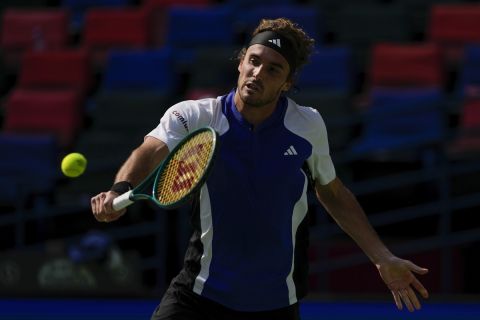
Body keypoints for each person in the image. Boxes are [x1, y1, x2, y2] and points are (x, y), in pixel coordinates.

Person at [91, 18, 429, 320]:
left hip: (275, 303)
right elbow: (150, 149)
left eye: (273, 69)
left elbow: (332, 191)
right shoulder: (196, 116)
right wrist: (121, 189)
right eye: (254, 61)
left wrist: (382, 257)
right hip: (199, 293)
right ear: (240, 63)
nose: (258, 73)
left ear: (287, 83)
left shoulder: (307, 125)